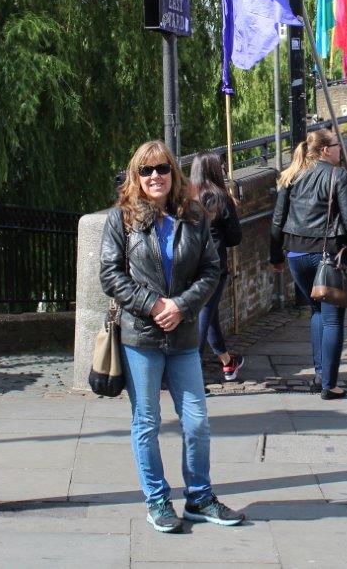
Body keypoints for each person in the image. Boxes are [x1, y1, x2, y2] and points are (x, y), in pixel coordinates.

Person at [99, 140, 246, 533]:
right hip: (140, 337)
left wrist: (181, 305)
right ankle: (157, 499)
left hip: (182, 335)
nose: (154, 177)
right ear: (136, 176)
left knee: (196, 421)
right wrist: (153, 305)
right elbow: (111, 275)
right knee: (146, 421)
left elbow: (211, 270)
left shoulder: (194, 216)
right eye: (146, 171)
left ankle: (199, 497)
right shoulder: (121, 220)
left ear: (173, 172)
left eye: (161, 168)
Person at [270, 129, 347, 400]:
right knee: (333, 318)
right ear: (326, 150)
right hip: (326, 255)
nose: (340, 149)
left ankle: (319, 373)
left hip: (295, 255)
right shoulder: (339, 176)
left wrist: (275, 256)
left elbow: (278, 219)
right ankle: (330, 384)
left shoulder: (291, 175)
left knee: (316, 310)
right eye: (338, 145)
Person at [188, 152, 245, 382]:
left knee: (209, 315)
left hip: (189, 264)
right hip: (213, 267)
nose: (223, 169)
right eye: (221, 166)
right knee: (204, 316)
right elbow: (235, 237)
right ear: (214, 170)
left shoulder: (186, 198)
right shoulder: (221, 198)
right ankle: (191, 373)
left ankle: (227, 362)